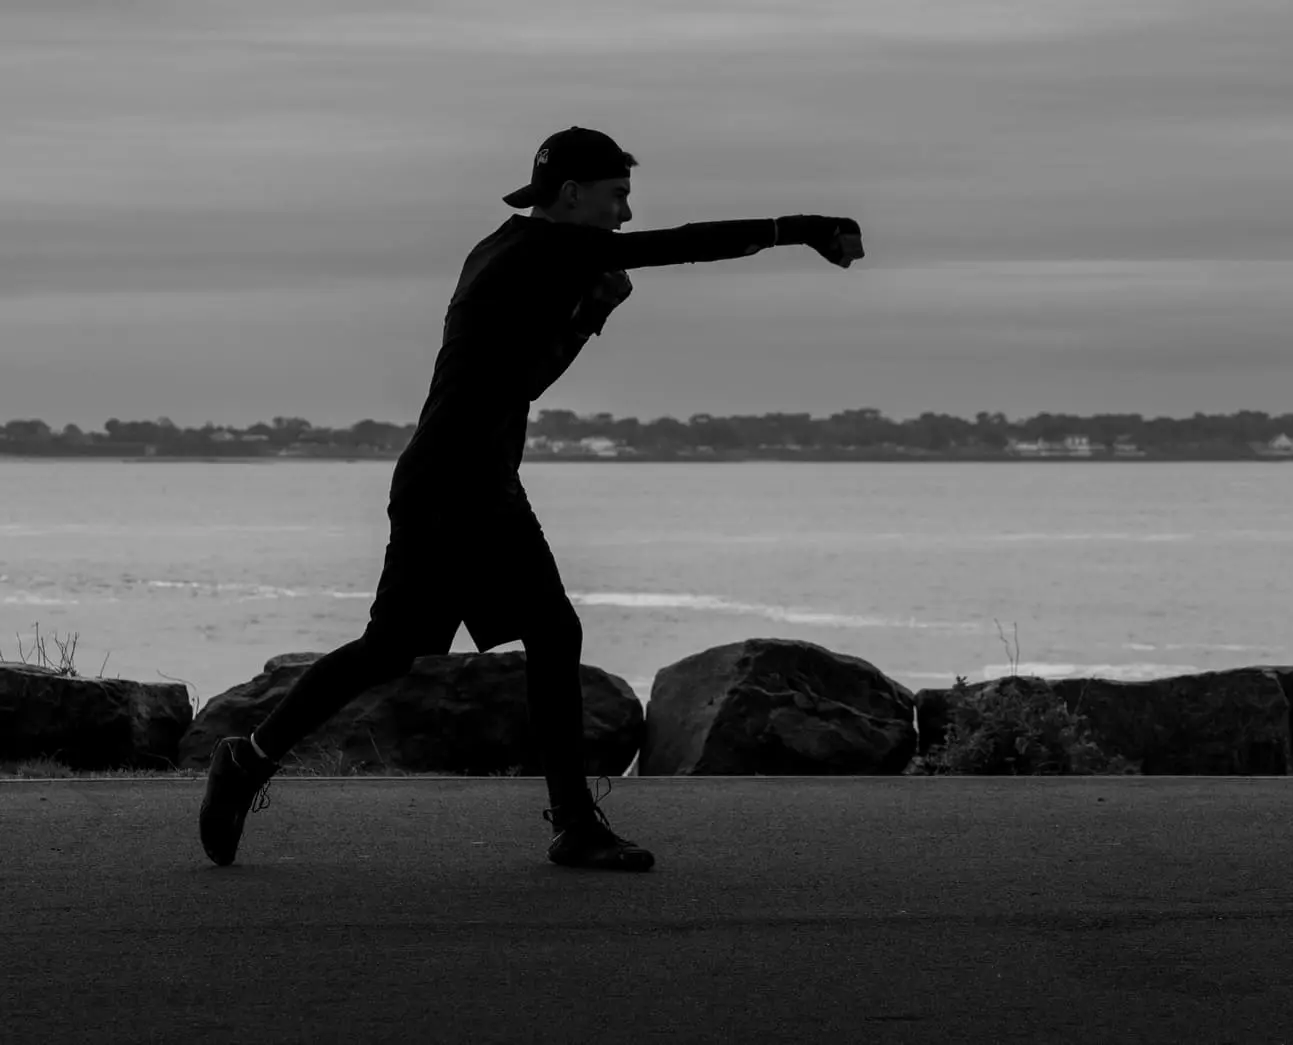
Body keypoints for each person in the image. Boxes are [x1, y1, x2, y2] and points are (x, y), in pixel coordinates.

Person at [198, 125, 866, 872]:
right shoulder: (540, 249)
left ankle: (573, 822)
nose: (624, 215)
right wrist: (800, 229)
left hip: (477, 477)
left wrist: (584, 318)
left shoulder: (511, 249)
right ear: (572, 193)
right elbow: (681, 245)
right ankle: (247, 757)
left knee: (548, 632)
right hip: (451, 480)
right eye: (617, 197)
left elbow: (517, 385)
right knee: (395, 648)